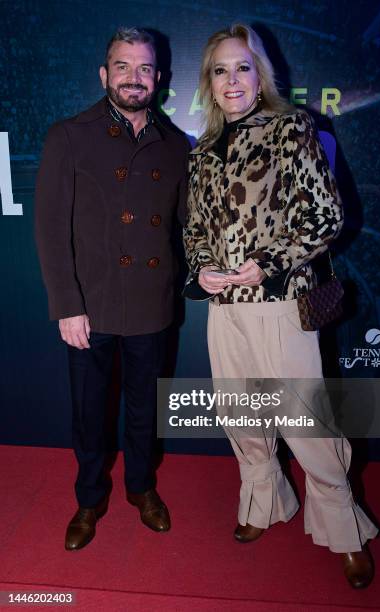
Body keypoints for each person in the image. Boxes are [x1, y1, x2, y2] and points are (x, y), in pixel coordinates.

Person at [183, 24, 378, 588]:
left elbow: (326, 218)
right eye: (220, 70)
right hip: (225, 307)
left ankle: (344, 530)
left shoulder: (293, 129)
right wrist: (202, 268)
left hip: (281, 300)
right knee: (241, 417)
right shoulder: (202, 150)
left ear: (259, 73)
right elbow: (195, 229)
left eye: (242, 67)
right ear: (210, 82)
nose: (232, 80)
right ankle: (264, 504)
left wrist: (266, 263)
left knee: (307, 422)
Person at [35, 27, 189, 550]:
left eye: (144, 68)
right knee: (89, 411)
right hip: (91, 307)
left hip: (152, 302)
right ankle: (88, 497)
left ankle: (142, 489)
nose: (133, 77)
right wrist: (67, 306)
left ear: (159, 79)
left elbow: (186, 226)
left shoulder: (176, 146)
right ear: (104, 75)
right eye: (122, 66)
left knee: (147, 407)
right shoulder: (70, 135)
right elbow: (51, 229)